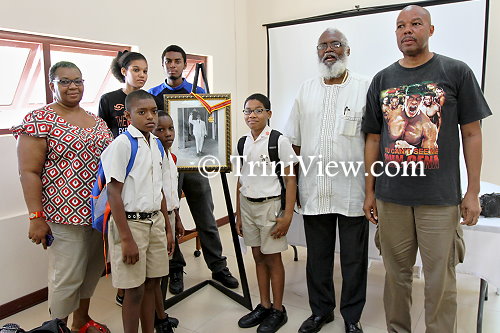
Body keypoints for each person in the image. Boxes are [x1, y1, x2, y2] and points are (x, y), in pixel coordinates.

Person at [362, 5, 492, 333]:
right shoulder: (383, 79)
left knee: (440, 281)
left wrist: (472, 191)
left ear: (430, 30)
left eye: (416, 23)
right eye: (400, 25)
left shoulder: (456, 72)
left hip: (440, 199)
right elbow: (374, 138)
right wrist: (370, 190)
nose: (408, 30)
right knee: (396, 278)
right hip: (392, 199)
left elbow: (472, 133)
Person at [13, 61, 112, 332]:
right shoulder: (39, 120)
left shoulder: (97, 121)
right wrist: (36, 217)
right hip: (62, 216)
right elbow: (29, 172)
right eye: (65, 81)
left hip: (96, 214)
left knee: (91, 273)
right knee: (65, 278)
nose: (73, 86)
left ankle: (81, 321)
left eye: (78, 81)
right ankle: (57, 328)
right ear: (52, 85)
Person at [285, 28, 369, 333]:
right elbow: (293, 142)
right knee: (317, 259)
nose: (328, 50)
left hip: (352, 191)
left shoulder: (364, 87)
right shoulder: (306, 89)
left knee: (353, 260)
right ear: (317, 52)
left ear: (347, 50)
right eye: (322, 46)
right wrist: (291, 189)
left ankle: (351, 317)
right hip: (314, 190)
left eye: (335, 44)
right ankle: (321, 312)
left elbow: (374, 140)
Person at [148, 44, 238, 294]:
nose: (173, 65)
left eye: (177, 61)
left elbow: (213, 122)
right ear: (163, 63)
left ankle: (218, 266)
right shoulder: (153, 95)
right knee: (169, 217)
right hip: (166, 164)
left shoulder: (197, 91)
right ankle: (175, 267)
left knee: (206, 216)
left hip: (195, 164)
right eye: (168, 61)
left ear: (184, 64)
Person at [100, 90, 175, 333]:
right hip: (131, 225)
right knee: (134, 290)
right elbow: (113, 193)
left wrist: (168, 227)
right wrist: (126, 239)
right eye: (142, 112)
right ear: (128, 116)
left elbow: (160, 190)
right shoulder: (122, 145)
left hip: (155, 222)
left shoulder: (156, 144)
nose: (150, 117)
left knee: (153, 282)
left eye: (153, 111)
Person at [235, 93, 297, 333]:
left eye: (258, 110)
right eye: (248, 110)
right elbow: (241, 180)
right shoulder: (243, 142)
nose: (252, 115)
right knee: (258, 256)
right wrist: (239, 213)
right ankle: (264, 304)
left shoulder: (278, 141)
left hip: (270, 207)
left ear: (269, 114)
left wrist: (288, 215)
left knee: (273, 259)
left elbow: (291, 180)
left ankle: (278, 310)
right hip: (248, 206)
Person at [152, 111, 184, 332]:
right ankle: (157, 316)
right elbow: (158, 194)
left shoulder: (171, 156)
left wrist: (177, 219)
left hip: (170, 216)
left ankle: (160, 314)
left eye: (170, 128)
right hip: (158, 220)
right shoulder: (154, 157)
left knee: (162, 269)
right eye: (161, 130)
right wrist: (167, 226)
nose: (168, 134)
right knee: (156, 273)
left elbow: (172, 193)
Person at [99, 50, 148, 138]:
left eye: (145, 71)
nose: (142, 75)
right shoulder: (108, 99)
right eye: (136, 70)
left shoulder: (152, 100)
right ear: (124, 71)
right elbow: (102, 133)